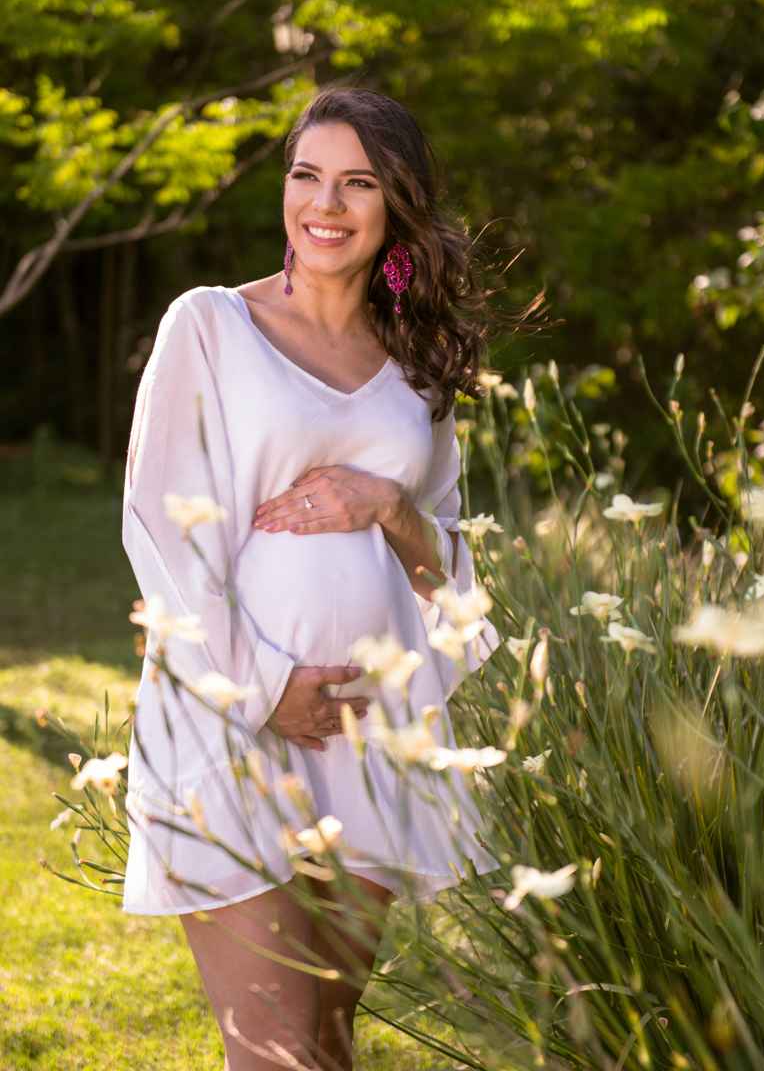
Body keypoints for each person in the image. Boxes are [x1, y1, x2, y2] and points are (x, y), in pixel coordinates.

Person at [121, 86, 520, 1070]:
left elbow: (450, 574)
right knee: (278, 1055)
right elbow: (160, 530)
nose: (325, 204)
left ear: (396, 204)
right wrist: (264, 686)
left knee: (329, 1046)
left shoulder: (418, 363)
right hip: (230, 723)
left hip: (368, 733)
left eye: (357, 183)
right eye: (307, 176)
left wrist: (388, 506)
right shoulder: (210, 324)